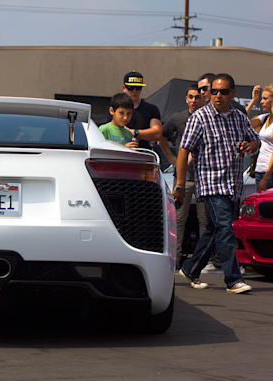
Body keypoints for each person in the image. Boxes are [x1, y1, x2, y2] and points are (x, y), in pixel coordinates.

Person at [174, 73, 260, 294]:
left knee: (214, 229)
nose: (217, 96)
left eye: (223, 91)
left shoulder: (240, 118)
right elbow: (184, 150)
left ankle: (190, 267)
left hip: (233, 185)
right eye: (213, 91)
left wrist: (251, 146)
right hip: (211, 185)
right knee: (225, 228)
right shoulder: (200, 117)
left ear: (232, 94)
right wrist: (180, 185)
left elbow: (255, 139)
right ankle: (233, 279)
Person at [159, 84, 208, 265]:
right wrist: (171, 157)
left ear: (203, 98)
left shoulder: (209, 118)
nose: (194, 100)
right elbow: (160, 135)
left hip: (204, 179)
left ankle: (203, 260)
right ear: (186, 99)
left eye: (197, 97)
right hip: (183, 178)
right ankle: (176, 259)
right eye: (190, 97)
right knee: (178, 219)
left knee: (205, 220)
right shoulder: (178, 118)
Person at [105, 71, 163, 149]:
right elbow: (113, 130)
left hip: (144, 153)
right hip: (121, 152)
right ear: (124, 88)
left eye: (138, 88)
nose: (134, 91)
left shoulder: (151, 109)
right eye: (131, 88)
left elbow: (157, 133)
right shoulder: (115, 107)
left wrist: (134, 132)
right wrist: (144, 134)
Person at [246, 84, 273, 191]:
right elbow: (243, 121)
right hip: (259, 170)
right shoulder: (265, 117)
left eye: (265, 99)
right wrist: (253, 100)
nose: (261, 102)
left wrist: (266, 178)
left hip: (270, 173)